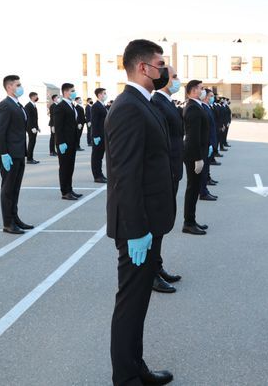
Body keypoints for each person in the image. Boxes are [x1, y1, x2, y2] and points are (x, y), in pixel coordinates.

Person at [105, 39, 175, 386]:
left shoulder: (143, 102)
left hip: (149, 220)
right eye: (161, 64)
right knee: (130, 304)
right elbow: (125, 174)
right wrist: (135, 230)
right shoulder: (129, 106)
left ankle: (136, 366)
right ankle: (126, 376)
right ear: (144, 67)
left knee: (138, 303)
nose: (165, 70)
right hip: (138, 225)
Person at [151, 65, 184, 294]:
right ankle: (151, 273)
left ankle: (157, 265)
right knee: (157, 224)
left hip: (172, 168)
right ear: (163, 79)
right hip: (166, 170)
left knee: (163, 223)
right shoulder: (158, 103)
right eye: (174, 77)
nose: (177, 80)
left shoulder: (167, 101)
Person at [0, 75, 34, 235]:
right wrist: (3, 153)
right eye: (18, 85)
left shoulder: (18, 105)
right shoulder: (5, 105)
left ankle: (15, 218)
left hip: (19, 153)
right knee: (8, 189)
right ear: (9, 87)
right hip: (9, 154)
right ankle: (8, 223)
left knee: (15, 188)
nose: (20, 87)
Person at [182, 80, 210, 235]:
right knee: (192, 189)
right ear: (193, 90)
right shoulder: (192, 108)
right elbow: (193, 137)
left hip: (197, 153)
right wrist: (198, 158)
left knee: (194, 188)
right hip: (194, 155)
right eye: (201, 88)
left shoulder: (196, 106)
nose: (203, 91)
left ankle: (191, 220)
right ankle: (188, 222)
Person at [54, 83, 81, 201]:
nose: (74, 92)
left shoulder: (71, 105)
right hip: (64, 142)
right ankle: (65, 191)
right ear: (65, 92)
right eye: (72, 91)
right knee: (64, 167)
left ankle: (70, 189)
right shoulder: (60, 106)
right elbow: (58, 126)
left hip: (71, 141)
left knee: (70, 167)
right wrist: (60, 142)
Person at [90, 88, 108, 184]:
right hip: (98, 136)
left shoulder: (102, 105)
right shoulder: (96, 106)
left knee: (100, 157)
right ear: (99, 95)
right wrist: (96, 136)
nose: (105, 95)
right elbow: (94, 122)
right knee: (96, 157)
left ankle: (100, 174)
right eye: (104, 93)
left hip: (103, 135)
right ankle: (97, 176)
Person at [24, 92, 41, 164]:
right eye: (36, 96)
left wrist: (37, 127)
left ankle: (30, 158)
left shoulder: (33, 105)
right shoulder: (28, 106)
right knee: (31, 142)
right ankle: (29, 159)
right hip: (31, 127)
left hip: (34, 127)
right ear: (32, 97)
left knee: (33, 142)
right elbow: (28, 118)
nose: (37, 98)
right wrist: (32, 127)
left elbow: (35, 118)